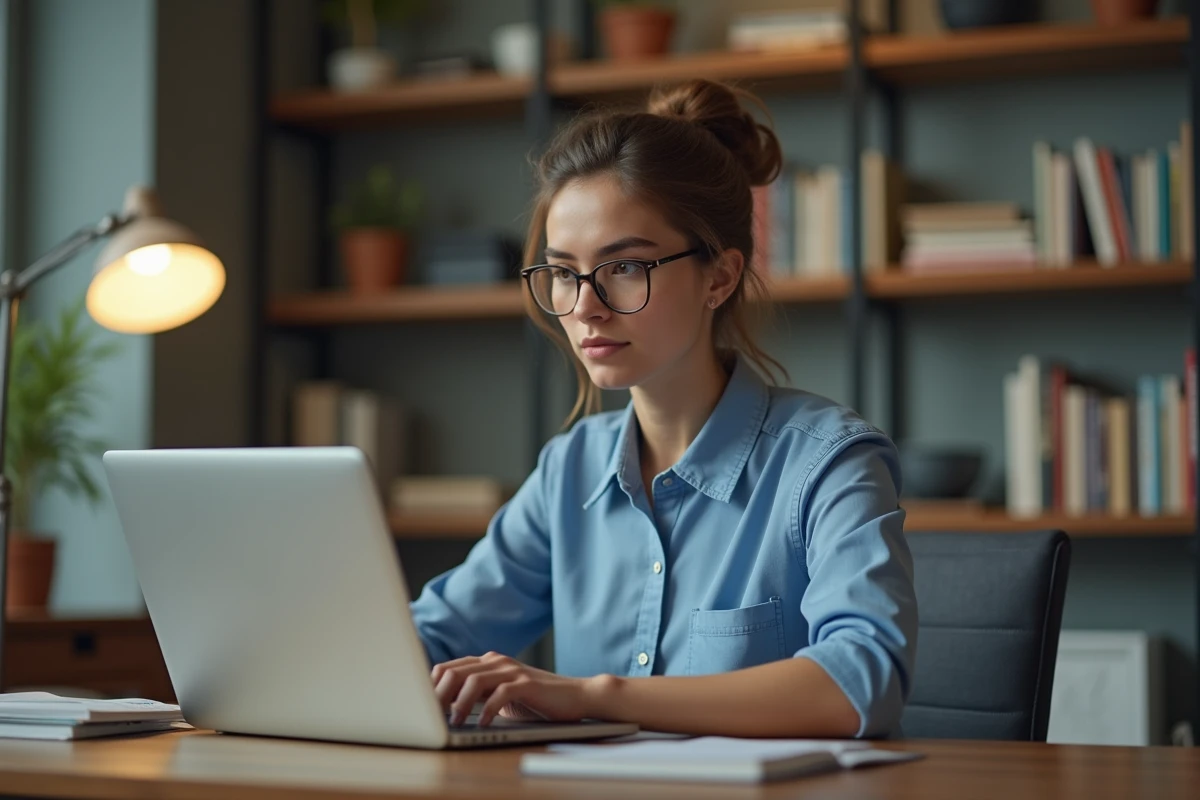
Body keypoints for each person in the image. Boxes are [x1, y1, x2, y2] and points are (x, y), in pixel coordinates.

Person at [410, 78, 917, 739]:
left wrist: (597, 695)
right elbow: (432, 636)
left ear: (720, 276)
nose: (585, 305)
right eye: (563, 272)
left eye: (625, 268)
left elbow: (860, 682)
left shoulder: (828, 461)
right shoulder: (571, 469)